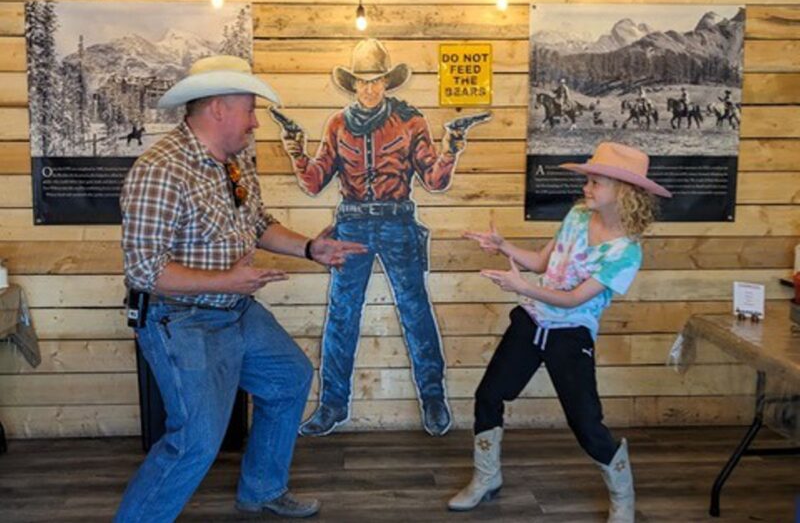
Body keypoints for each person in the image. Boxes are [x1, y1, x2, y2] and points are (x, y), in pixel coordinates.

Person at [115, 55, 366, 522]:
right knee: (195, 440)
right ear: (218, 110)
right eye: (250, 110)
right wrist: (227, 280)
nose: (254, 123)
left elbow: (258, 225)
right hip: (179, 319)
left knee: (288, 378)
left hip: (235, 308)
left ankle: (262, 488)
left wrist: (311, 248)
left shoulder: (236, 163)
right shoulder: (160, 171)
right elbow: (144, 271)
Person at [450, 142, 672, 523]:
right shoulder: (577, 216)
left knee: (586, 422)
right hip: (532, 320)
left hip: (570, 333)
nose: (586, 188)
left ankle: (623, 498)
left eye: (595, 182)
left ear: (623, 192)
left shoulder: (626, 253)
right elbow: (540, 262)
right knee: (489, 395)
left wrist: (521, 287)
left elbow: (572, 300)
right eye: (587, 180)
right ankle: (486, 477)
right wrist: (504, 247)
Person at [281, 38, 468, 437]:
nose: (369, 88)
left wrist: (451, 148)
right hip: (351, 224)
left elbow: (434, 180)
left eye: (376, 80)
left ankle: (433, 398)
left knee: (415, 311)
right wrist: (296, 152)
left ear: (387, 82)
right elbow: (315, 183)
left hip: (398, 222)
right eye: (362, 81)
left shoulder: (411, 122)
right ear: (353, 84)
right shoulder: (336, 124)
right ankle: (333, 405)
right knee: (342, 315)